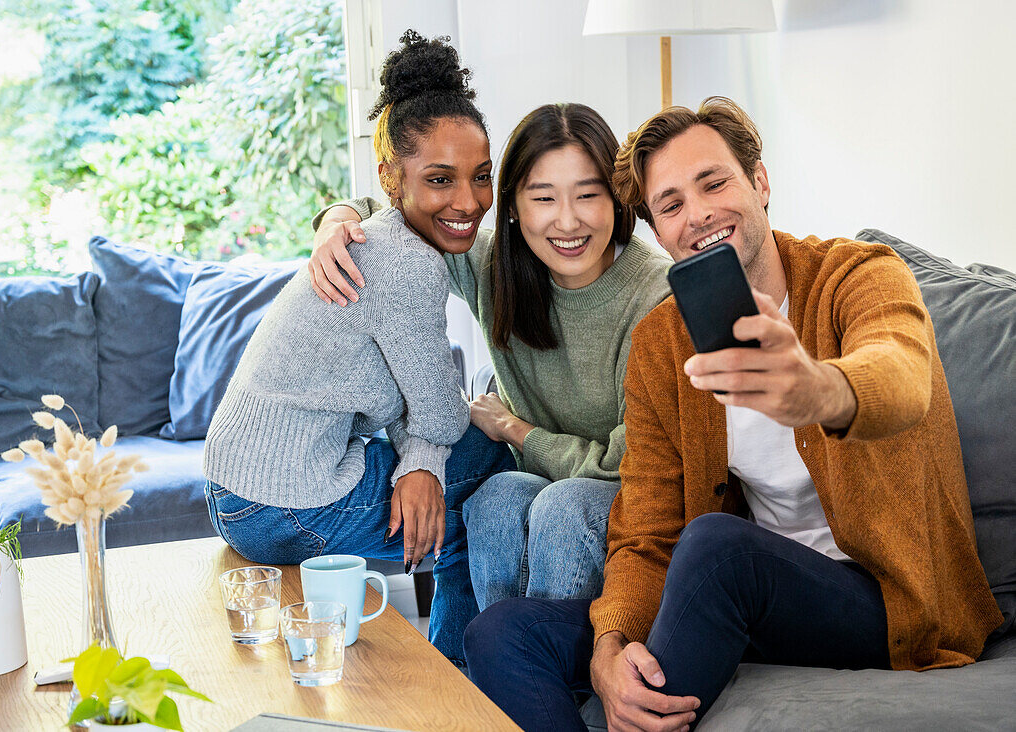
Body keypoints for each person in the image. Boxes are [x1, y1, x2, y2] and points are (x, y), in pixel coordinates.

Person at [463, 97, 1003, 730]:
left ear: (760, 181)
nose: (697, 215)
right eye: (670, 205)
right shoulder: (664, 342)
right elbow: (647, 527)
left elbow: (901, 374)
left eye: (713, 182)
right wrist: (610, 646)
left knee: (719, 548)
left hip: (886, 602)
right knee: (499, 634)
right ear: (657, 232)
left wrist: (818, 389)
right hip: (739, 601)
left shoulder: (859, 276)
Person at [201, 30, 515, 668]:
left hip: (238, 482)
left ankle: (455, 668)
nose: (469, 201)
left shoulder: (381, 233)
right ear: (391, 177)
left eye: (482, 177)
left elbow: (416, 399)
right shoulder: (406, 263)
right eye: (440, 180)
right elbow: (438, 413)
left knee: (472, 458)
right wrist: (428, 454)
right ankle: (462, 684)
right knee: (487, 495)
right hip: (279, 500)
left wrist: (424, 449)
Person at [310, 103, 672, 610]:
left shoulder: (654, 295)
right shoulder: (494, 263)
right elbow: (394, 213)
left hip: (627, 491)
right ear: (512, 208)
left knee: (561, 508)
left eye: (588, 195)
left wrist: (515, 430)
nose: (567, 221)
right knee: (494, 500)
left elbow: (625, 464)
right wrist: (336, 220)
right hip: (539, 479)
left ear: (616, 199)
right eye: (543, 198)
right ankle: (493, 676)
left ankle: (562, 671)